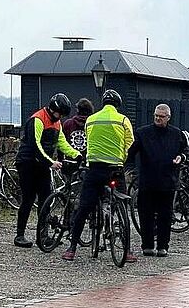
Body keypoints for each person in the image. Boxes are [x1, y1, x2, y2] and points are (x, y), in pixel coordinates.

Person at [62, 90, 136, 262]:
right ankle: (127, 251)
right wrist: (121, 158)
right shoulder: (122, 120)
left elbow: (89, 141)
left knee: (83, 208)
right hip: (115, 170)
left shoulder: (91, 120)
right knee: (122, 206)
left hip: (94, 169)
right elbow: (130, 143)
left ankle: (72, 249)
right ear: (117, 105)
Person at [14, 93, 80, 248]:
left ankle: (43, 236)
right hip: (27, 163)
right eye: (59, 114)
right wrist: (51, 162)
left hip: (43, 164)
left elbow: (62, 143)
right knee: (28, 199)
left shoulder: (57, 123)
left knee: (46, 200)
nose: (60, 117)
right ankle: (19, 235)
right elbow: (35, 146)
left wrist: (76, 154)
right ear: (52, 109)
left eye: (62, 115)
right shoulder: (37, 119)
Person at [128, 104, 189, 256]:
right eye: (156, 115)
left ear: (168, 117)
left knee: (165, 216)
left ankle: (163, 246)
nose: (158, 118)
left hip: (167, 181)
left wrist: (181, 157)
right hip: (147, 180)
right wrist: (129, 169)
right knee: (145, 215)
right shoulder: (143, 132)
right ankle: (147, 245)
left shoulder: (176, 134)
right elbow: (131, 152)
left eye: (161, 116)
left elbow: (183, 151)